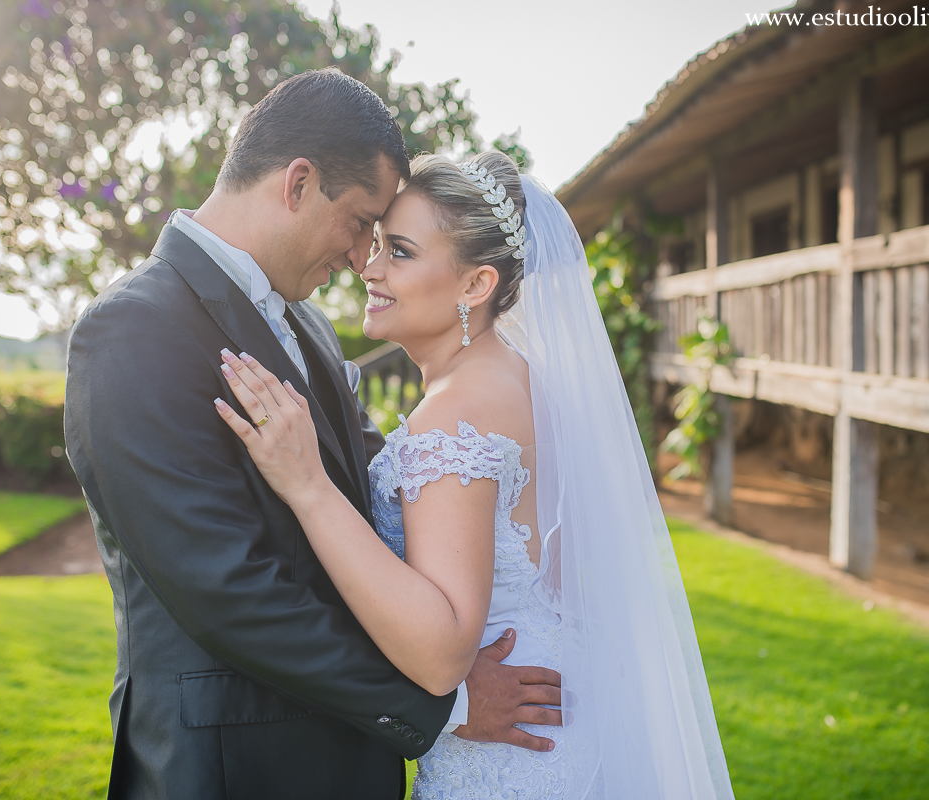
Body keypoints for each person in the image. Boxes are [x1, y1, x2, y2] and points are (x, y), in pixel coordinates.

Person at [64, 70, 560, 800]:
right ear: (298, 184)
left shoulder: (312, 329)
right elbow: (228, 589)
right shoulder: (132, 330)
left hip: (350, 759)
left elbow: (372, 497)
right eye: (363, 223)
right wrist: (446, 706)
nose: (363, 258)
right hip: (231, 769)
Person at [214, 151, 736, 799]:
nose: (368, 269)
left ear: (475, 285)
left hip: (508, 759)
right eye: (375, 245)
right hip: (561, 724)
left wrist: (309, 489)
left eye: (399, 252)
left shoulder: (453, 418)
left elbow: (441, 655)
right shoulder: (525, 382)